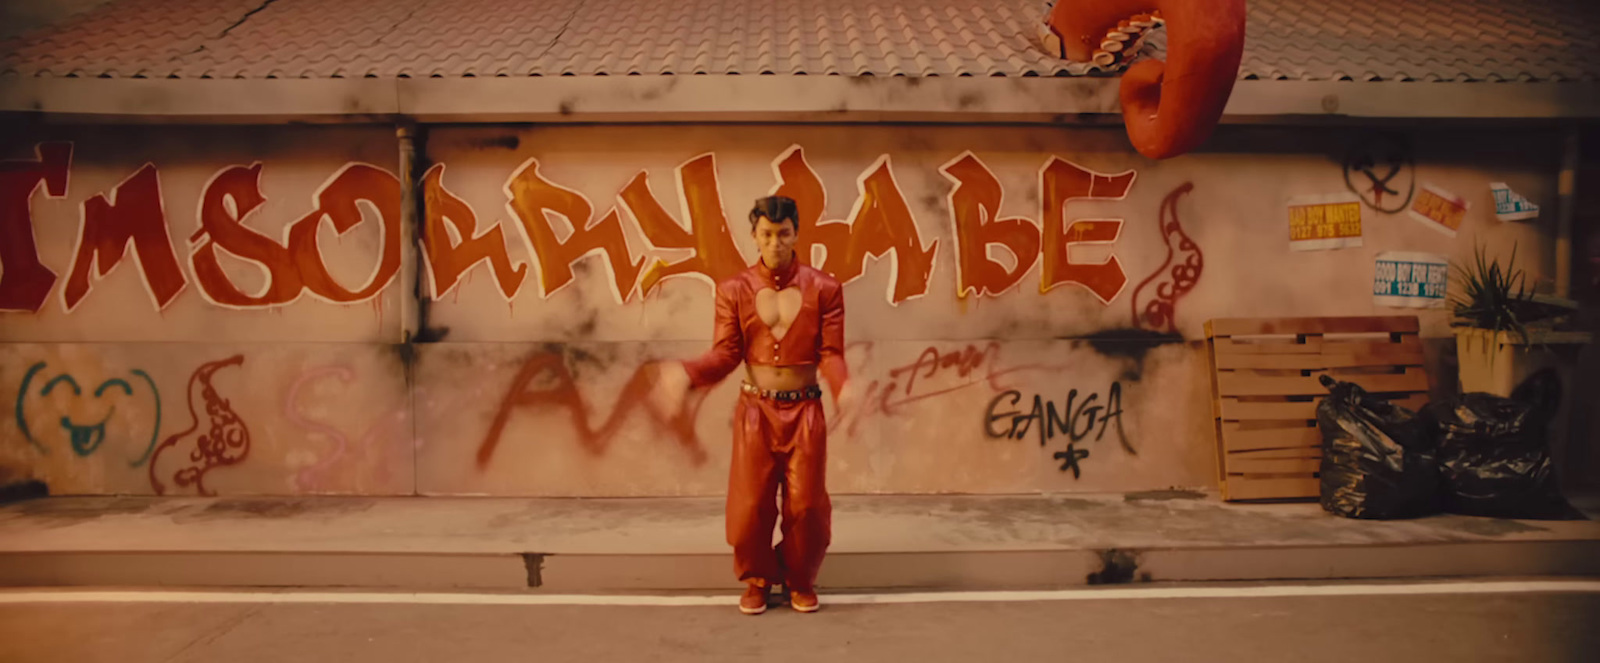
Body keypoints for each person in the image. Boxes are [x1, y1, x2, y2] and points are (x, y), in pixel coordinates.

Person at [650, 194, 854, 615]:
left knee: (808, 505)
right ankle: (758, 579)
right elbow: (726, 353)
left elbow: (831, 353)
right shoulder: (734, 290)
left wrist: (843, 386)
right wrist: (686, 374)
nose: (775, 243)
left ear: (796, 233)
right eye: (766, 234)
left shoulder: (826, 289)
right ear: (754, 236)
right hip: (755, 411)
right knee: (749, 506)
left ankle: (799, 578)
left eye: (783, 234)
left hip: (805, 411)